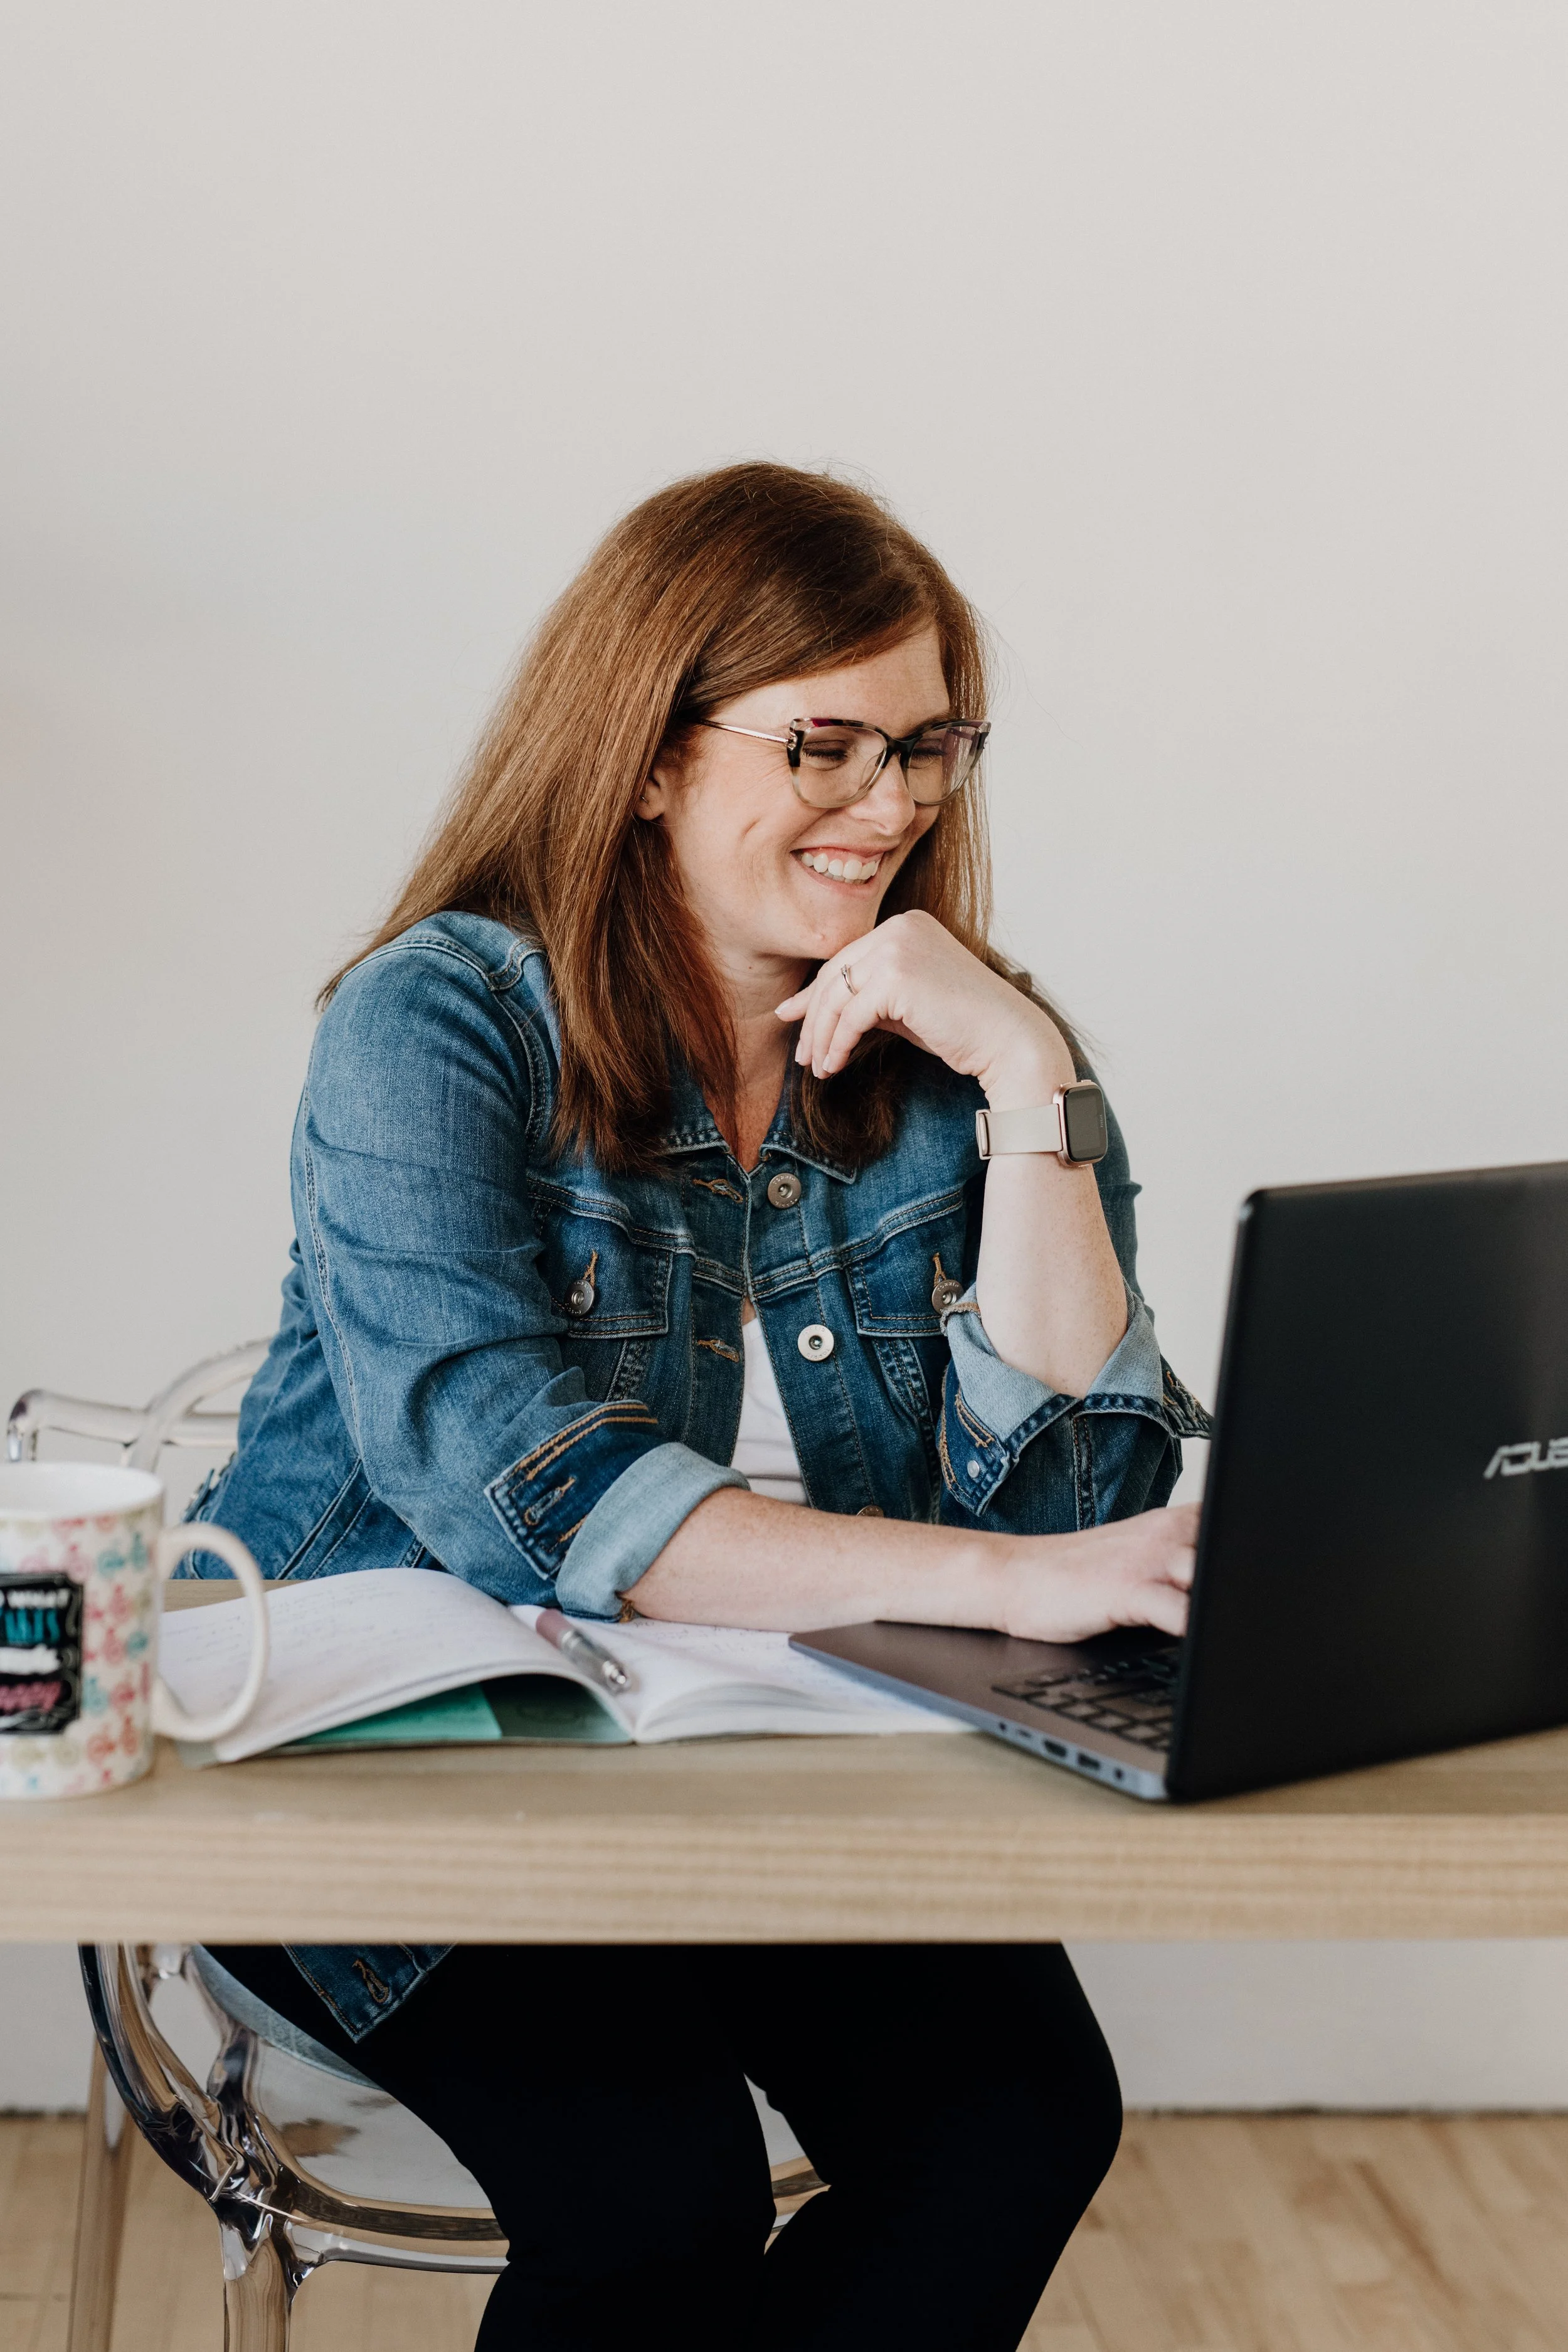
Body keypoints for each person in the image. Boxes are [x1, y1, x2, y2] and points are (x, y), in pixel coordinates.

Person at [195, 462, 1208, 2351]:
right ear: (647, 752)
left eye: (927, 749)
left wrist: (1027, 1078)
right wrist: (1024, 1587)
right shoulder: (435, 1023)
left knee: (1013, 2125)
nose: (889, 804)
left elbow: (1086, 1500)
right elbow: (535, 1496)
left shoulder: (960, 1056)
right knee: (652, 2189)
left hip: (759, 1758)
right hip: (383, 1759)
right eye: (824, 744)